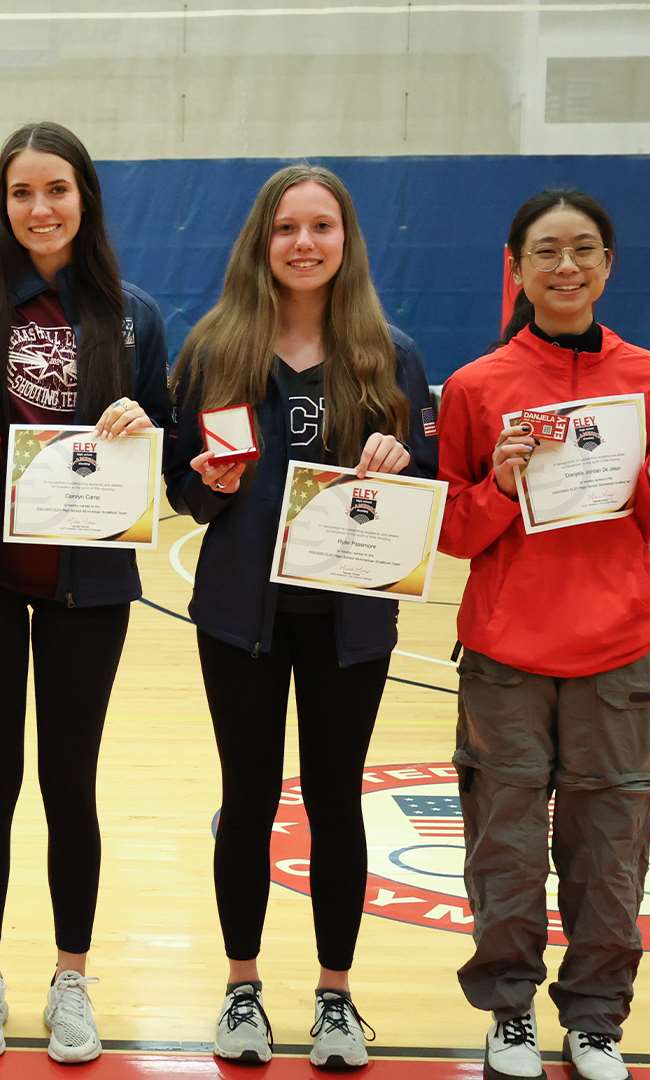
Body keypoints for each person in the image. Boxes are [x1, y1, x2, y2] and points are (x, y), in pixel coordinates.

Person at [0, 120, 171, 1064]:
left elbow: (174, 459)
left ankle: (70, 978)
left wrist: (147, 426)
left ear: (84, 196)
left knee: (70, 783)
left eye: (55, 189)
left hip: (86, 588)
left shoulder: (132, 314)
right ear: (3, 205)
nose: (40, 208)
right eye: (22, 193)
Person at [162, 163, 438, 1069]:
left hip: (349, 620)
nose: (305, 243)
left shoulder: (389, 355)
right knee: (246, 799)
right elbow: (180, 490)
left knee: (335, 800)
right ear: (262, 242)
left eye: (323, 226)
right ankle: (242, 990)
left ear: (346, 241)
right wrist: (209, 484)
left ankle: (333, 997)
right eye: (287, 228)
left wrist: (403, 464)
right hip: (240, 612)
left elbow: (426, 489)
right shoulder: (213, 350)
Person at [437, 189, 650, 1080]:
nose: (565, 267)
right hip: (507, 654)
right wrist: (501, 486)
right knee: (504, 845)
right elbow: (453, 532)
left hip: (621, 647)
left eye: (583, 250)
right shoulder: (477, 387)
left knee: (611, 844)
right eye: (546, 251)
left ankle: (595, 1019)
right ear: (516, 267)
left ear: (608, 265)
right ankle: (508, 1012)